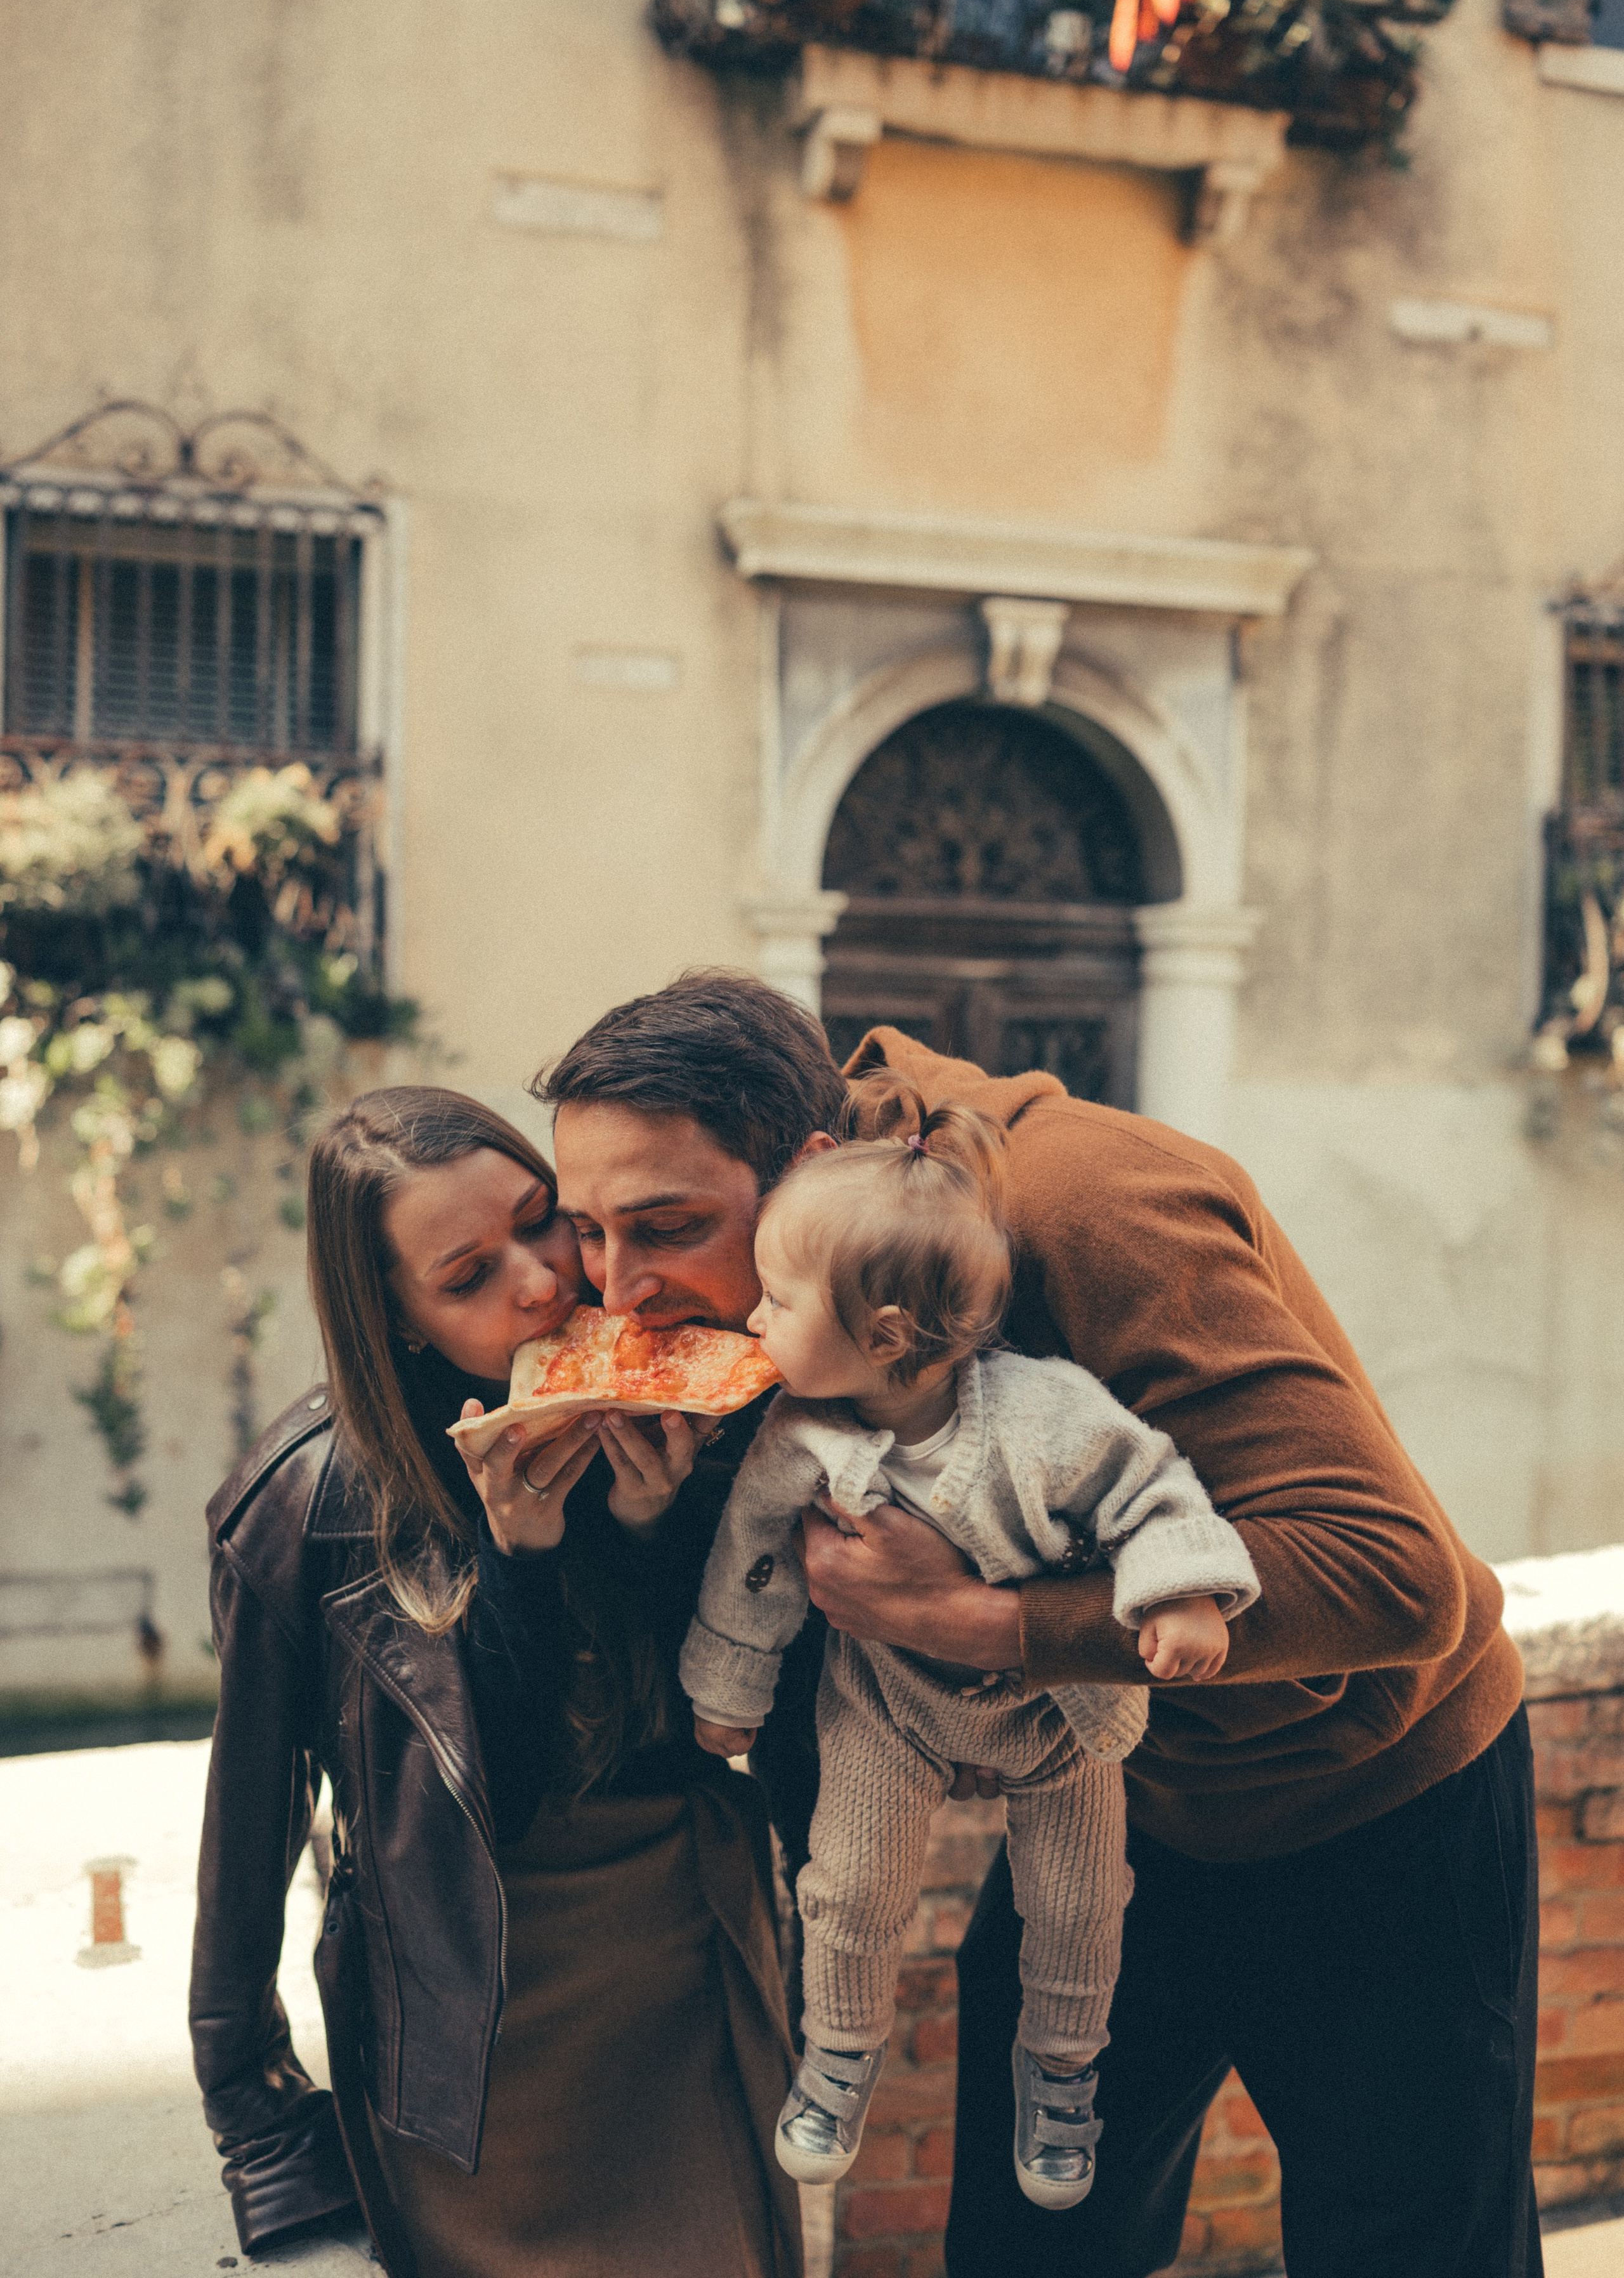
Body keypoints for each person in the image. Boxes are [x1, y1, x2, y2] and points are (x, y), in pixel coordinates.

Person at [538, 971, 1541, 2278]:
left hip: (1378, 1807)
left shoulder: (1089, 1204)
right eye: (587, 1234)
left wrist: (984, 1621)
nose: (621, 1292)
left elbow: (1398, 1576)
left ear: (809, 1165)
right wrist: (639, 1518)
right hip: (1121, 1796)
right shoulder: (778, 1293)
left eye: (664, 1225)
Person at [188, 1086, 802, 2278]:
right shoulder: (304, 1508)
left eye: (542, 1221)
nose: (539, 1283)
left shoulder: (681, 1393)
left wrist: (648, 1531)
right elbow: (255, 1836)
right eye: (468, 1276)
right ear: (401, 1321)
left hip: (689, 1969)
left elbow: (716, 1722)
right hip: (474, 2043)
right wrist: (266, 2144)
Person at [676, 1082, 1257, 2209]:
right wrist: (731, 1688)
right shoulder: (796, 1436)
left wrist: (1181, 1598)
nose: (754, 1318)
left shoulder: (1048, 1418)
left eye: (778, 1298)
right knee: (845, 1887)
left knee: (1083, 1900)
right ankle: (838, 2055)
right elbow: (752, 1560)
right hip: (887, 1704)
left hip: (1058, 1715)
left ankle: (1061, 2073)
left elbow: (1156, 1491)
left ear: (884, 1335)